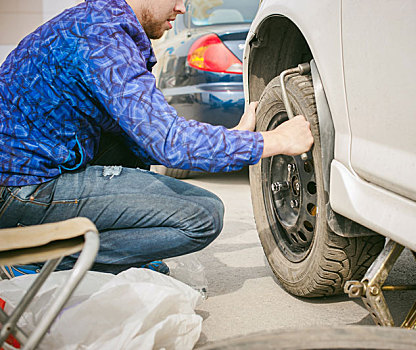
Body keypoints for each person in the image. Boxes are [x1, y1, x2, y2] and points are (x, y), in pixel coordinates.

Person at [0, 0, 313, 276]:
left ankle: (73, 248)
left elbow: (145, 137)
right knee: (203, 214)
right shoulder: (102, 38)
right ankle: (46, 257)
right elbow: (170, 142)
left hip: (25, 174)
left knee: (131, 148)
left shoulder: (98, 22)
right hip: (20, 188)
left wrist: (231, 138)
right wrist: (275, 141)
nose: (182, 7)